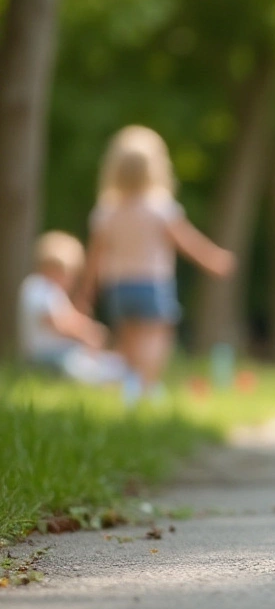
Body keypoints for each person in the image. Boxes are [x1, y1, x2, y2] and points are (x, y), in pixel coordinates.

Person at [79, 125, 236, 403]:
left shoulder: (107, 211)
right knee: (156, 339)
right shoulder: (160, 207)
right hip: (152, 282)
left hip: (118, 285)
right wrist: (214, 260)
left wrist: (87, 290)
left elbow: (95, 256)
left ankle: (130, 387)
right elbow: (187, 242)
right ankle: (147, 387)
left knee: (127, 340)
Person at [18, 231, 130, 386]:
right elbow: (54, 322)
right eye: (69, 275)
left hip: (59, 353)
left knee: (115, 363)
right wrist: (85, 334)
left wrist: (86, 326)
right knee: (108, 371)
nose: (70, 281)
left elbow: (68, 317)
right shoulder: (41, 287)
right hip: (49, 355)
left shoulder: (50, 291)